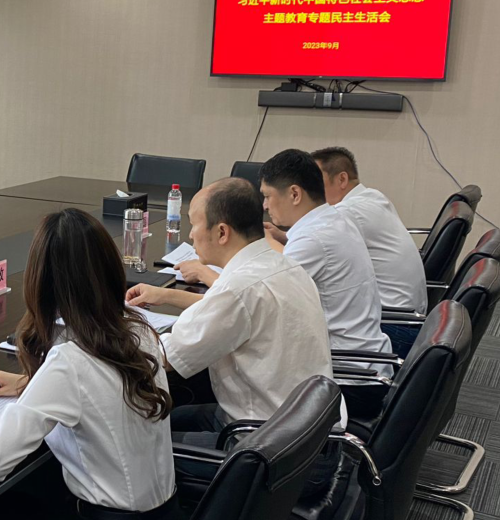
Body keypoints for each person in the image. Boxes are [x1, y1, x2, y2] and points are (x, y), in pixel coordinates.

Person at [0, 208, 185, 520]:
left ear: (40, 283)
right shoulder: (139, 330)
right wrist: (28, 384)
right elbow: (101, 390)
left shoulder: (70, 361)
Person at [125, 178, 335, 445]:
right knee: (169, 417)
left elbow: (163, 356)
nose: (191, 235)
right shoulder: (285, 265)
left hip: (265, 443)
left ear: (222, 232)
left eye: (194, 224)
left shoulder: (238, 288)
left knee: (141, 439)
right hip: (308, 427)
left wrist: (111, 331)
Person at [259, 149, 392, 354]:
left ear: (295, 194)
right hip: (363, 351)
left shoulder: (313, 238)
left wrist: (206, 267)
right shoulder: (333, 219)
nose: (265, 206)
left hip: (344, 364)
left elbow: (259, 300)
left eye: (267, 196)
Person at [312, 146, 427, 356]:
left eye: (315, 182)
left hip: (391, 326)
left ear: (342, 179)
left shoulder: (348, 211)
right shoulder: (372, 196)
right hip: (409, 319)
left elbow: (308, 251)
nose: (311, 190)